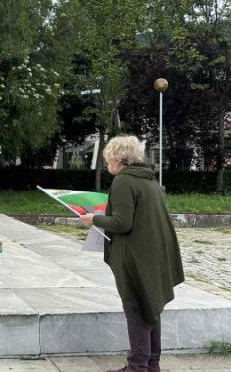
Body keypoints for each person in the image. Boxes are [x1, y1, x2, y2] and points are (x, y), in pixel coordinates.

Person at [79, 135, 184, 372]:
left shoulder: (123, 182)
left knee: (136, 307)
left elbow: (122, 223)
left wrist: (92, 218)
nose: (107, 165)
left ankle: (137, 366)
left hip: (135, 255)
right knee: (151, 306)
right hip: (154, 252)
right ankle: (151, 363)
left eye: (108, 160)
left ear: (118, 158)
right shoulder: (149, 180)